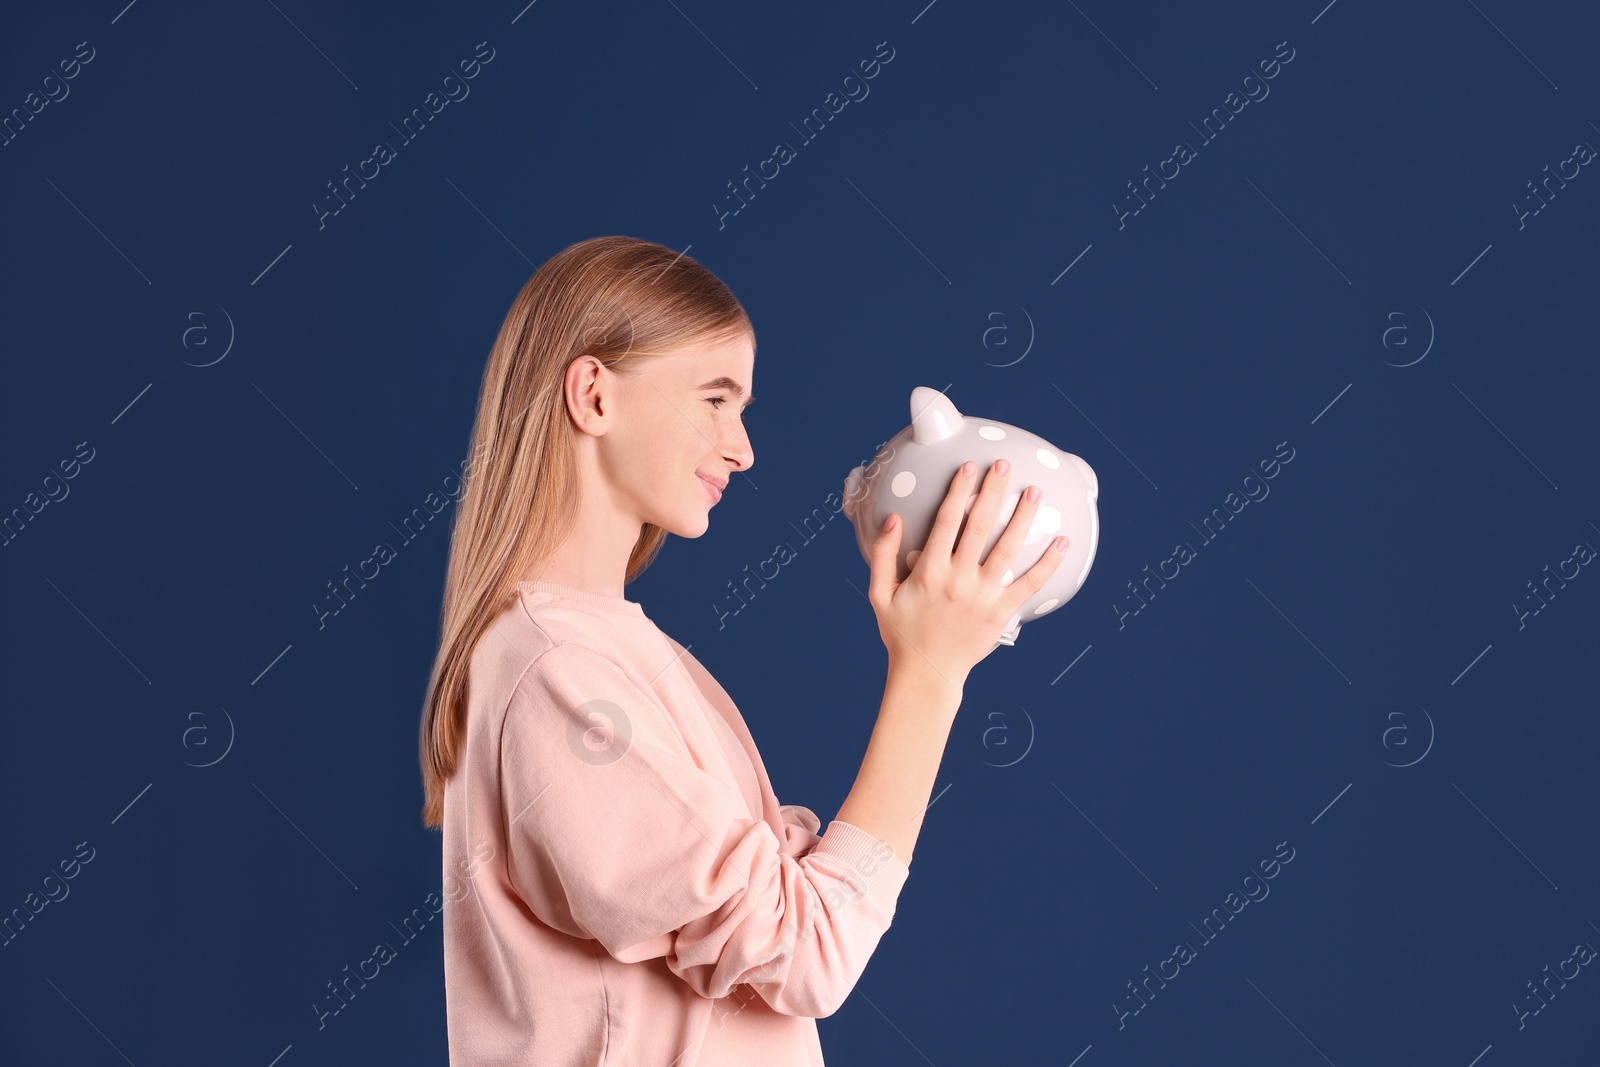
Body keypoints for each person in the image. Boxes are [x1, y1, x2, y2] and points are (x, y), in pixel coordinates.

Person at [418, 236, 1069, 1065]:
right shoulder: (559, 671)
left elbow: (775, 908)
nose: (742, 447)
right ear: (593, 394)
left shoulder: (617, 651)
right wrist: (930, 673)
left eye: (743, 409)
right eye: (714, 399)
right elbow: (807, 949)